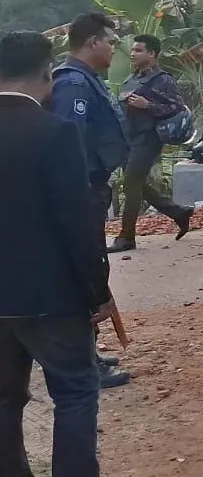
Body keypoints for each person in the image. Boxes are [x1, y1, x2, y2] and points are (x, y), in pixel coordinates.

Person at [0, 31, 115, 477]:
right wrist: (97, 291)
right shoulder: (55, 132)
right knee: (75, 392)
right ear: (47, 74)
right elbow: (76, 221)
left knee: (4, 398)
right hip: (52, 298)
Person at [48, 13, 131, 390]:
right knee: (84, 273)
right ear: (92, 42)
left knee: (94, 270)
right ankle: (82, 360)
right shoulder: (72, 85)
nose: (114, 49)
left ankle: (89, 350)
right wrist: (76, 197)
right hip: (82, 191)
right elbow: (71, 146)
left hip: (92, 188)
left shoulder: (88, 80)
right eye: (110, 41)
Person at [113, 34, 195, 253]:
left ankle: (126, 236)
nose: (133, 53)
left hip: (147, 139)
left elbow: (178, 109)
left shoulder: (163, 80)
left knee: (131, 184)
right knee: (135, 183)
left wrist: (148, 105)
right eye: (133, 50)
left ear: (152, 54)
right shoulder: (132, 78)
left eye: (138, 50)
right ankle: (178, 212)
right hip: (128, 138)